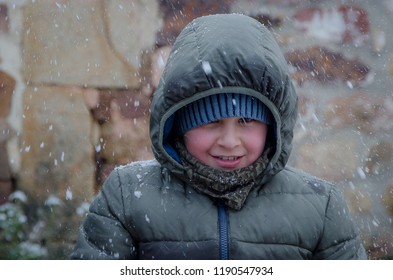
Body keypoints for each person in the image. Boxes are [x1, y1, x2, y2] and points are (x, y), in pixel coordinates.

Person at [71, 13, 367, 260]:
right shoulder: (127, 198)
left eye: (246, 120)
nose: (229, 140)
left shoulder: (320, 208)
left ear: (272, 126)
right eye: (210, 122)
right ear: (178, 124)